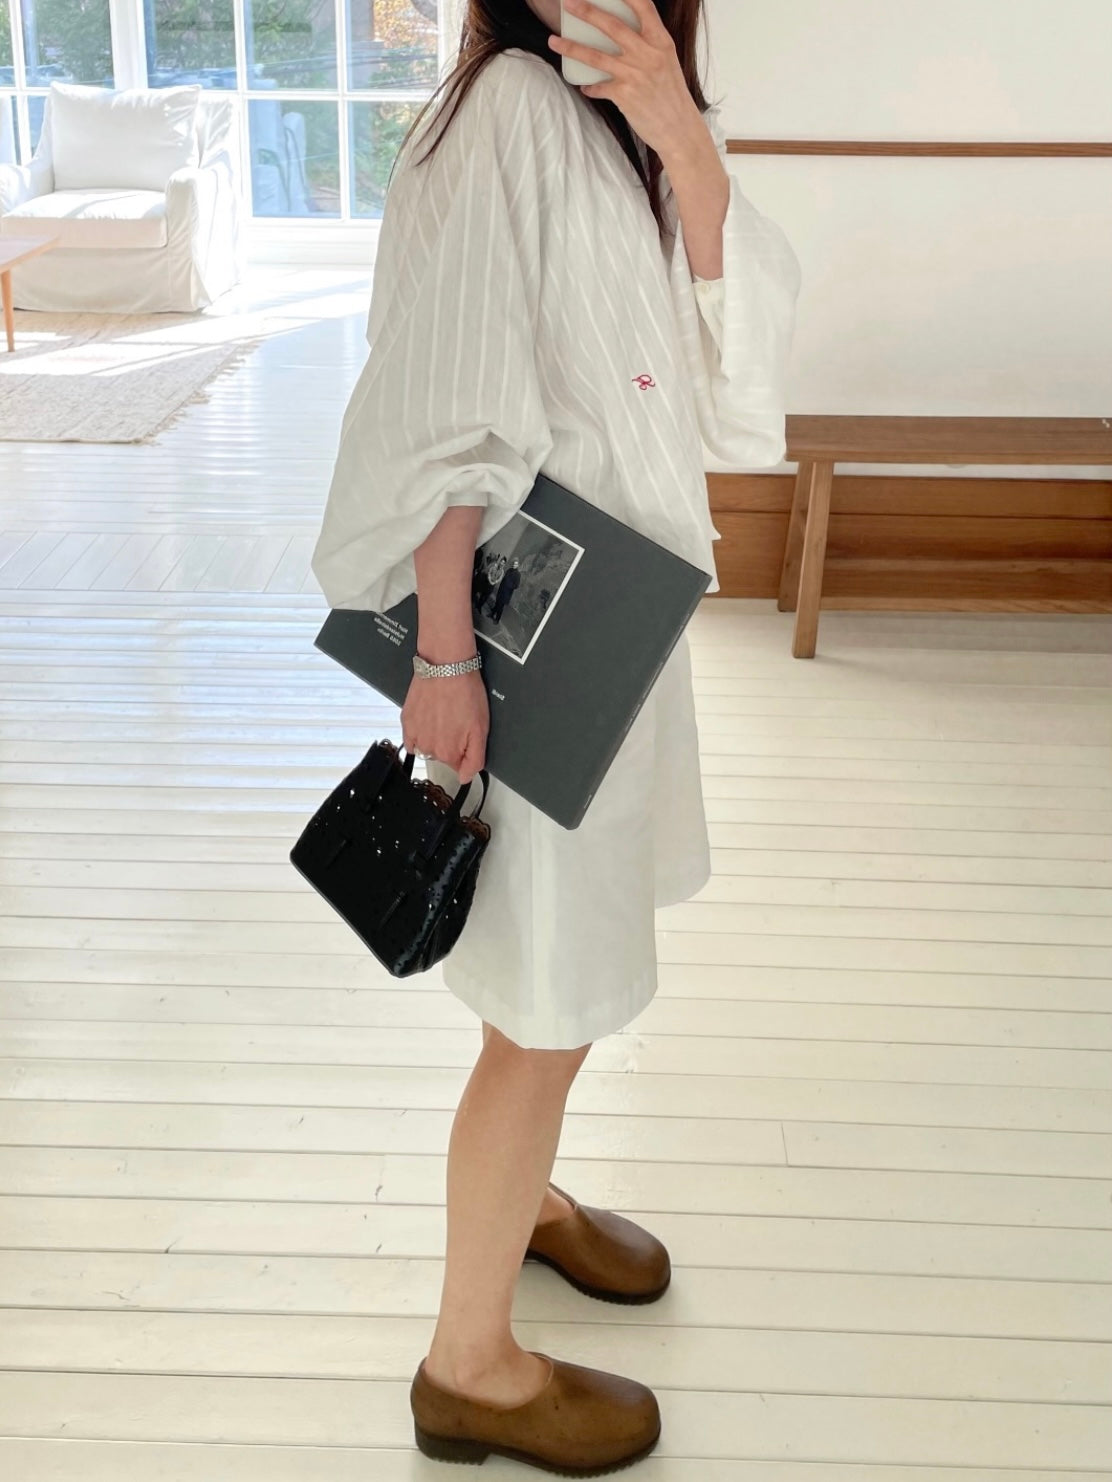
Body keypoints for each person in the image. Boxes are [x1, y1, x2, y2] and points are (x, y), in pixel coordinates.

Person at [311, 0, 801, 1471]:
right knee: (548, 1005)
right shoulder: (512, 111)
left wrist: (682, 139)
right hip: (532, 636)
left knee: (546, 971)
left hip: (610, 619)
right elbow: (448, 403)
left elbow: (722, 363)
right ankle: (469, 1366)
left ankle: (521, 1202)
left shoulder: (610, 123)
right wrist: (441, 655)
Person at [490, 556, 522, 622]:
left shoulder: (518, 574)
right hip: (501, 590)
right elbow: (503, 580)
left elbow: (516, 585)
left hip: (506, 594)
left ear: (518, 565)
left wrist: (508, 585)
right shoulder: (509, 570)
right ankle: (492, 614)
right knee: (497, 603)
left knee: (500, 606)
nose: (514, 565)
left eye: (515, 564)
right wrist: (500, 587)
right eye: (513, 563)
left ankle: (497, 619)